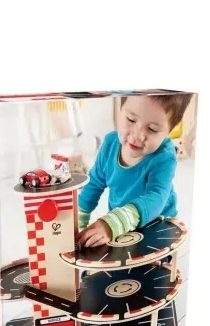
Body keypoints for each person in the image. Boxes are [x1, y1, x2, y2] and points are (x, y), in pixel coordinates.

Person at [78, 93, 193, 247]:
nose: (137, 135)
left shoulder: (164, 156)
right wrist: (78, 222)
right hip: (121, 226)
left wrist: (111, 224)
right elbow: (94, 184)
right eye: (131, 120)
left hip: (158, 225)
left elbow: (156, 197)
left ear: (168, 133)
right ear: (120, 110)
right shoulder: (110, 144)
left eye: (152, 129)